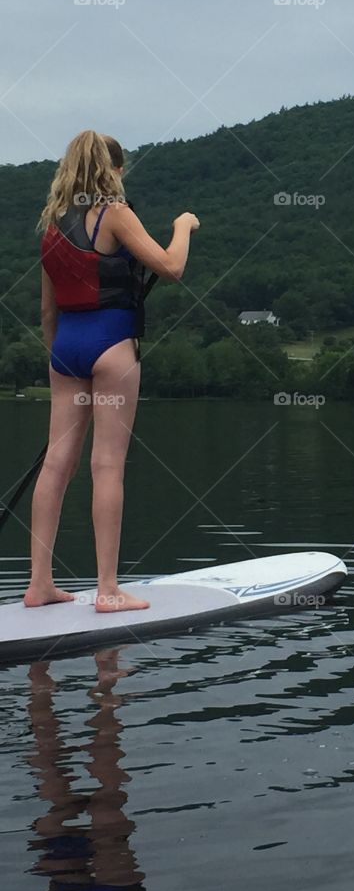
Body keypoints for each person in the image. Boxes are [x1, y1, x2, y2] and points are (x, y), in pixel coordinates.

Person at [24, 130, 199, 612]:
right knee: (107, 466)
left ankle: (40, 584)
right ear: (114, 170)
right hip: (111, 346)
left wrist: (59, 360)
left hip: (67, 351)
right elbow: (170, 267)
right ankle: (108, 590)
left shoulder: (52, 227)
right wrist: (183, 225)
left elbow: (47, 313)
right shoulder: (115, 214)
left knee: (56, 466)